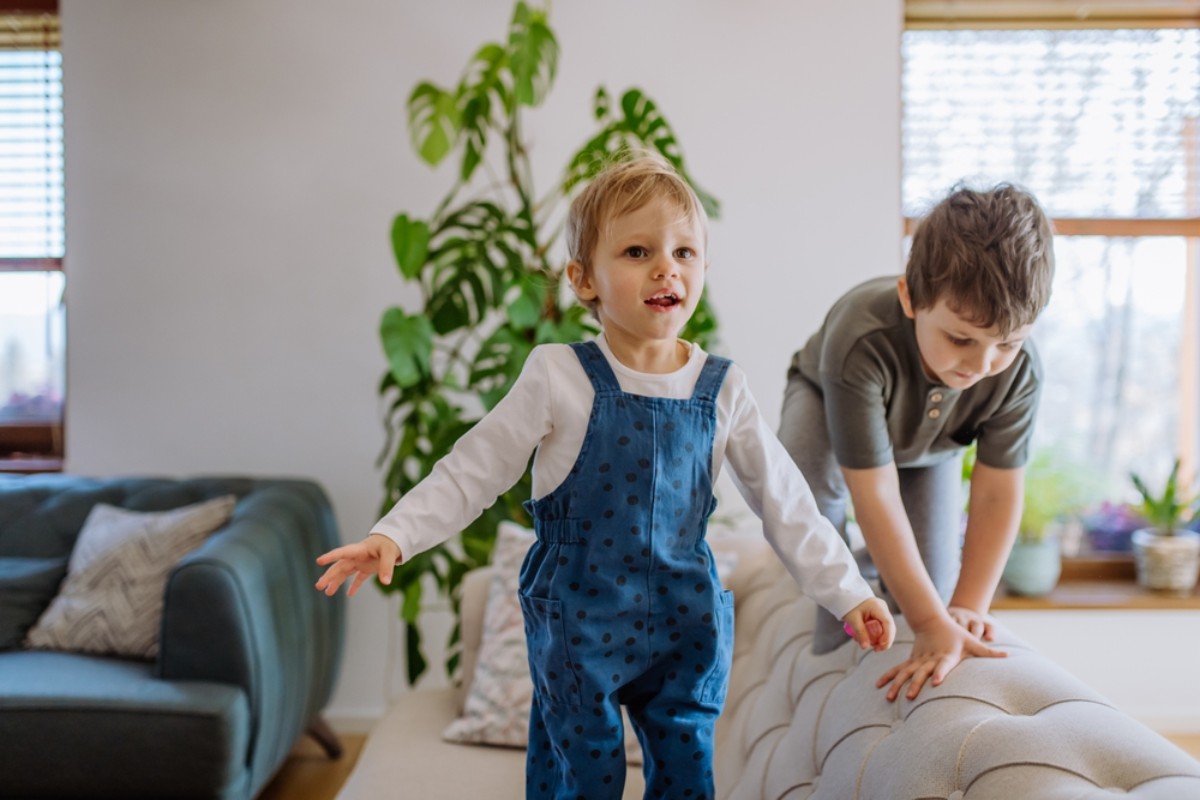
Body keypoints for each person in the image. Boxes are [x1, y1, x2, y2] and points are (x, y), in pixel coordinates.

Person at [315, 153, 894, 800]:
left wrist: (849, 591)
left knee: (685, 778)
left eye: (684, 252)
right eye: (638, 251)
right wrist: (395, 536)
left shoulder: (721, 386)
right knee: (580, 774)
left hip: (685, 619)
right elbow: (471, 471)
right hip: (578, 620)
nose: (666, 267)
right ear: (584, 279)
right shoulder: (557, 375)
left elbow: (785, 501)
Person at [777, 182, 1055, 702]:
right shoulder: (861, 335)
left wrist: (967, 605)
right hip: (828, 403)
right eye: (960, 339)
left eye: (1008, 344)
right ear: (910, 297)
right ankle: (849, 579)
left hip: (930, 446)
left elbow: (996, 493)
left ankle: (889, 572)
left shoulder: (1019, 374)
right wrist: (927, 621)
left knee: (933, 587)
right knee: (810, 493)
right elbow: (874, 492)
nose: (980, 366)